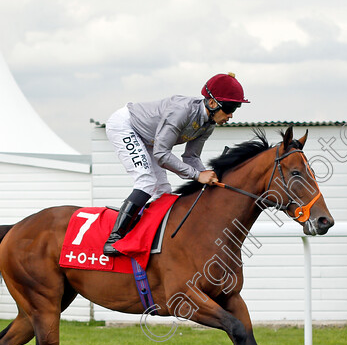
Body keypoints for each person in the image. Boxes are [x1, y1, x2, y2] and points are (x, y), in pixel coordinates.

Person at [102, 73, 249, 256]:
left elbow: (191, 157)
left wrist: (208, 174)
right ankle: (114, 239)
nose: (231, 115)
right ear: (212, 103)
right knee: (146, 182)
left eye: (236, 108)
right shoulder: (180, 112)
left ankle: (149, 238)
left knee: (163, 191)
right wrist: (197, 176)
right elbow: (162, 155)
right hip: (126, 126)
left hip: (150, 139)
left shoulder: (208, 124)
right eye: (229, 108)